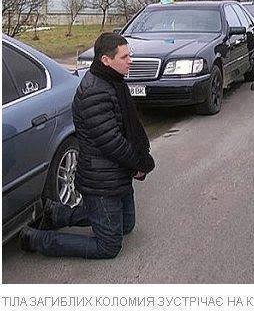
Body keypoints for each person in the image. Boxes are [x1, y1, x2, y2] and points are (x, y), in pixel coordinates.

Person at [19, 33, 155, 259]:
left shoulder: (113, 81)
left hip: (117, 174)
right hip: (101, 180)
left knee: (125, 226)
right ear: (106, 61)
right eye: (124, 57)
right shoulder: (95, 91)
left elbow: (127, 130)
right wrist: (140, 163)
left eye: (129, 55)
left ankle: (57, 215)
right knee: (109, 246)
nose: (130, 60)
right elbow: (112, 143)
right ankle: (36, 239)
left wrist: (137, 161)